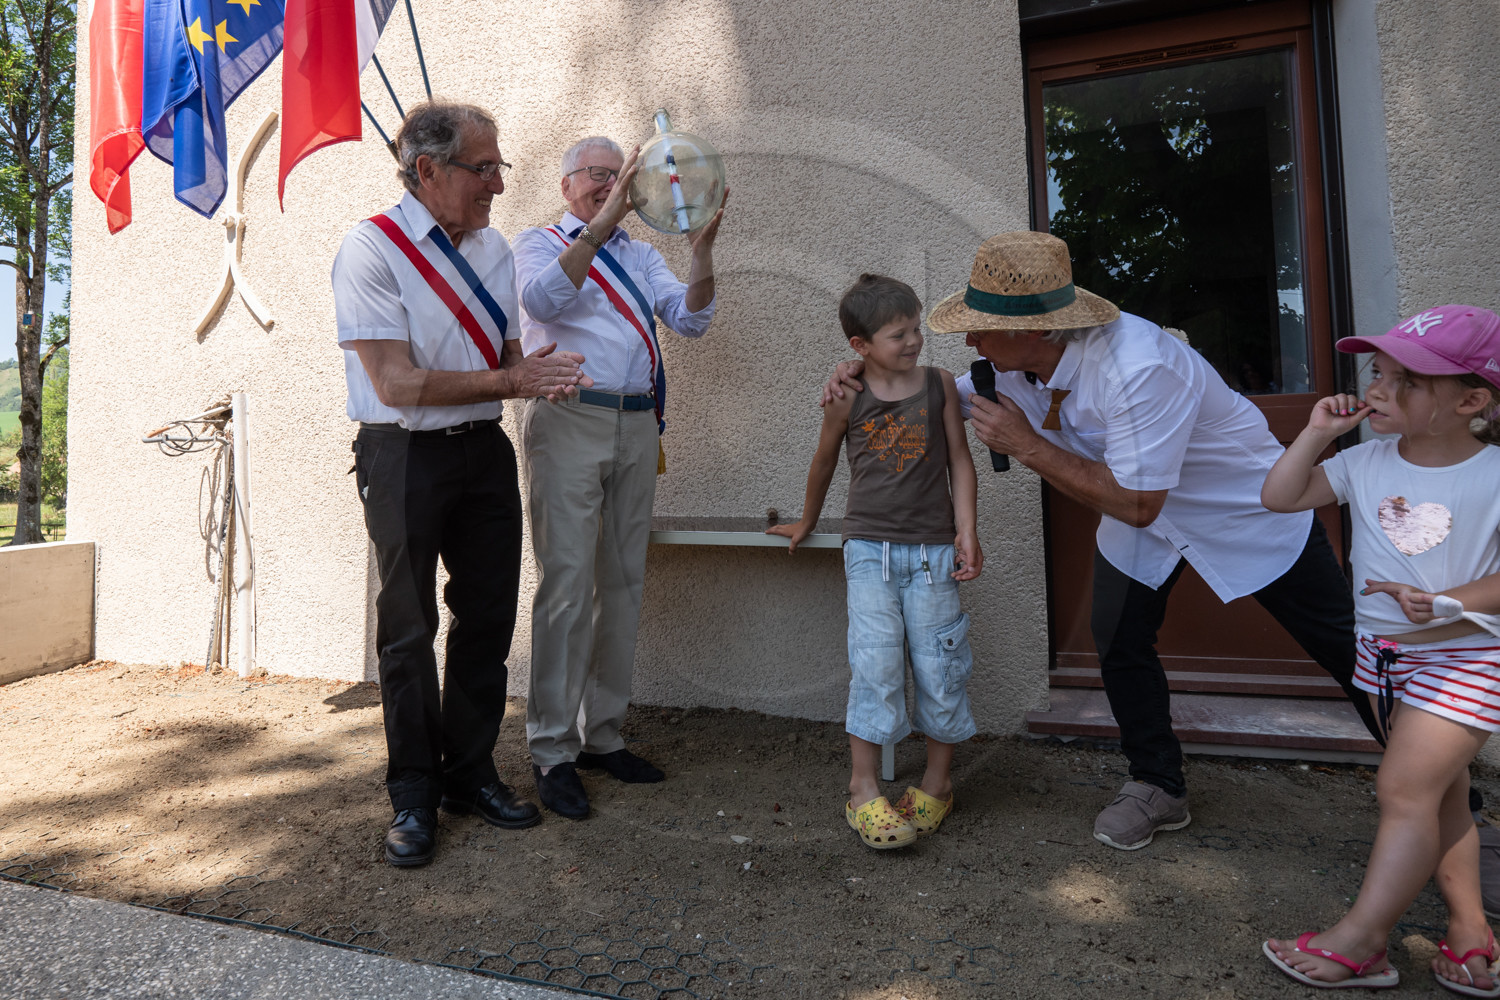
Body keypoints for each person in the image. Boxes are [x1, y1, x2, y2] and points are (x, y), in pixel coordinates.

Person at [824, 231, 1383, 851]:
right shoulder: (1006, 370)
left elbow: (1140, 504)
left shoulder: (1139, 366)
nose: (969, 341)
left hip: (1246, 510)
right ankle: (1157, 785)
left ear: (1039, 331)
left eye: (982, 328)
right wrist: (861, 372)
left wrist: (1028, 446)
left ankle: (1449, 806)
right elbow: (922, 394)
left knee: (1350, 651)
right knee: (1119, 639)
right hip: (1142, 516)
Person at [334, 102, 593, 867]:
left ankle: (469, 773)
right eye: (484, 169)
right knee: (408, 630)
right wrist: (514, 377)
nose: (498, 186)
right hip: (403, 454)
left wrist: (538, 377)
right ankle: (413, 793)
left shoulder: (493, 249)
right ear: (428, 171)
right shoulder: (369, 249)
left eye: (498, 167)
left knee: (485, 617)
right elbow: (396, 383)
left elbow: (508, 350)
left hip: (482, 449)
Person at [1263, 305, 1500, 994]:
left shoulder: (1491, 475)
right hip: (1386, 656)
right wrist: (1314, 435)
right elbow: (1280, 497)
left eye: (1407, 381)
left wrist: (1453, 600)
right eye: (1377, 373)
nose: (1378, 391)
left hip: (1469, 658)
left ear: (1471, 400)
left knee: (1402, 790)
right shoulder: (1363, 461)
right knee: (1440, 793)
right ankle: (1468, 932)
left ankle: (1361, 943)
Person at [512, 137, 725, 819]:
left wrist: (701, 253)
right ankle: (551, 750)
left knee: (622, 583)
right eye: (600, 175)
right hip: (569, 418)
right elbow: (544, 299)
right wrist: (602, 228)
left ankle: (602, 735)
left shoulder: (641, 255)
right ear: (568, 182)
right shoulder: (539, 242)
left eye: (620, 176)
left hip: (636, 424)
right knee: (568, 586)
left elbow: (690, 320)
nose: (612, 185)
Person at [770, 274, 982, 850]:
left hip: (935, 552)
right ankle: (863, 789)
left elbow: (960, 461)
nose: (913, 341)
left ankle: (937, 786)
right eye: (898, 334)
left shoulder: (940, 386)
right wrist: (808, 521)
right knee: (876, 663)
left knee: (941, 666)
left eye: (915, 328)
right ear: (860, 346)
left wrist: (967, 530)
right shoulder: (848, 395)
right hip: (869, 552)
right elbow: (823, 461)